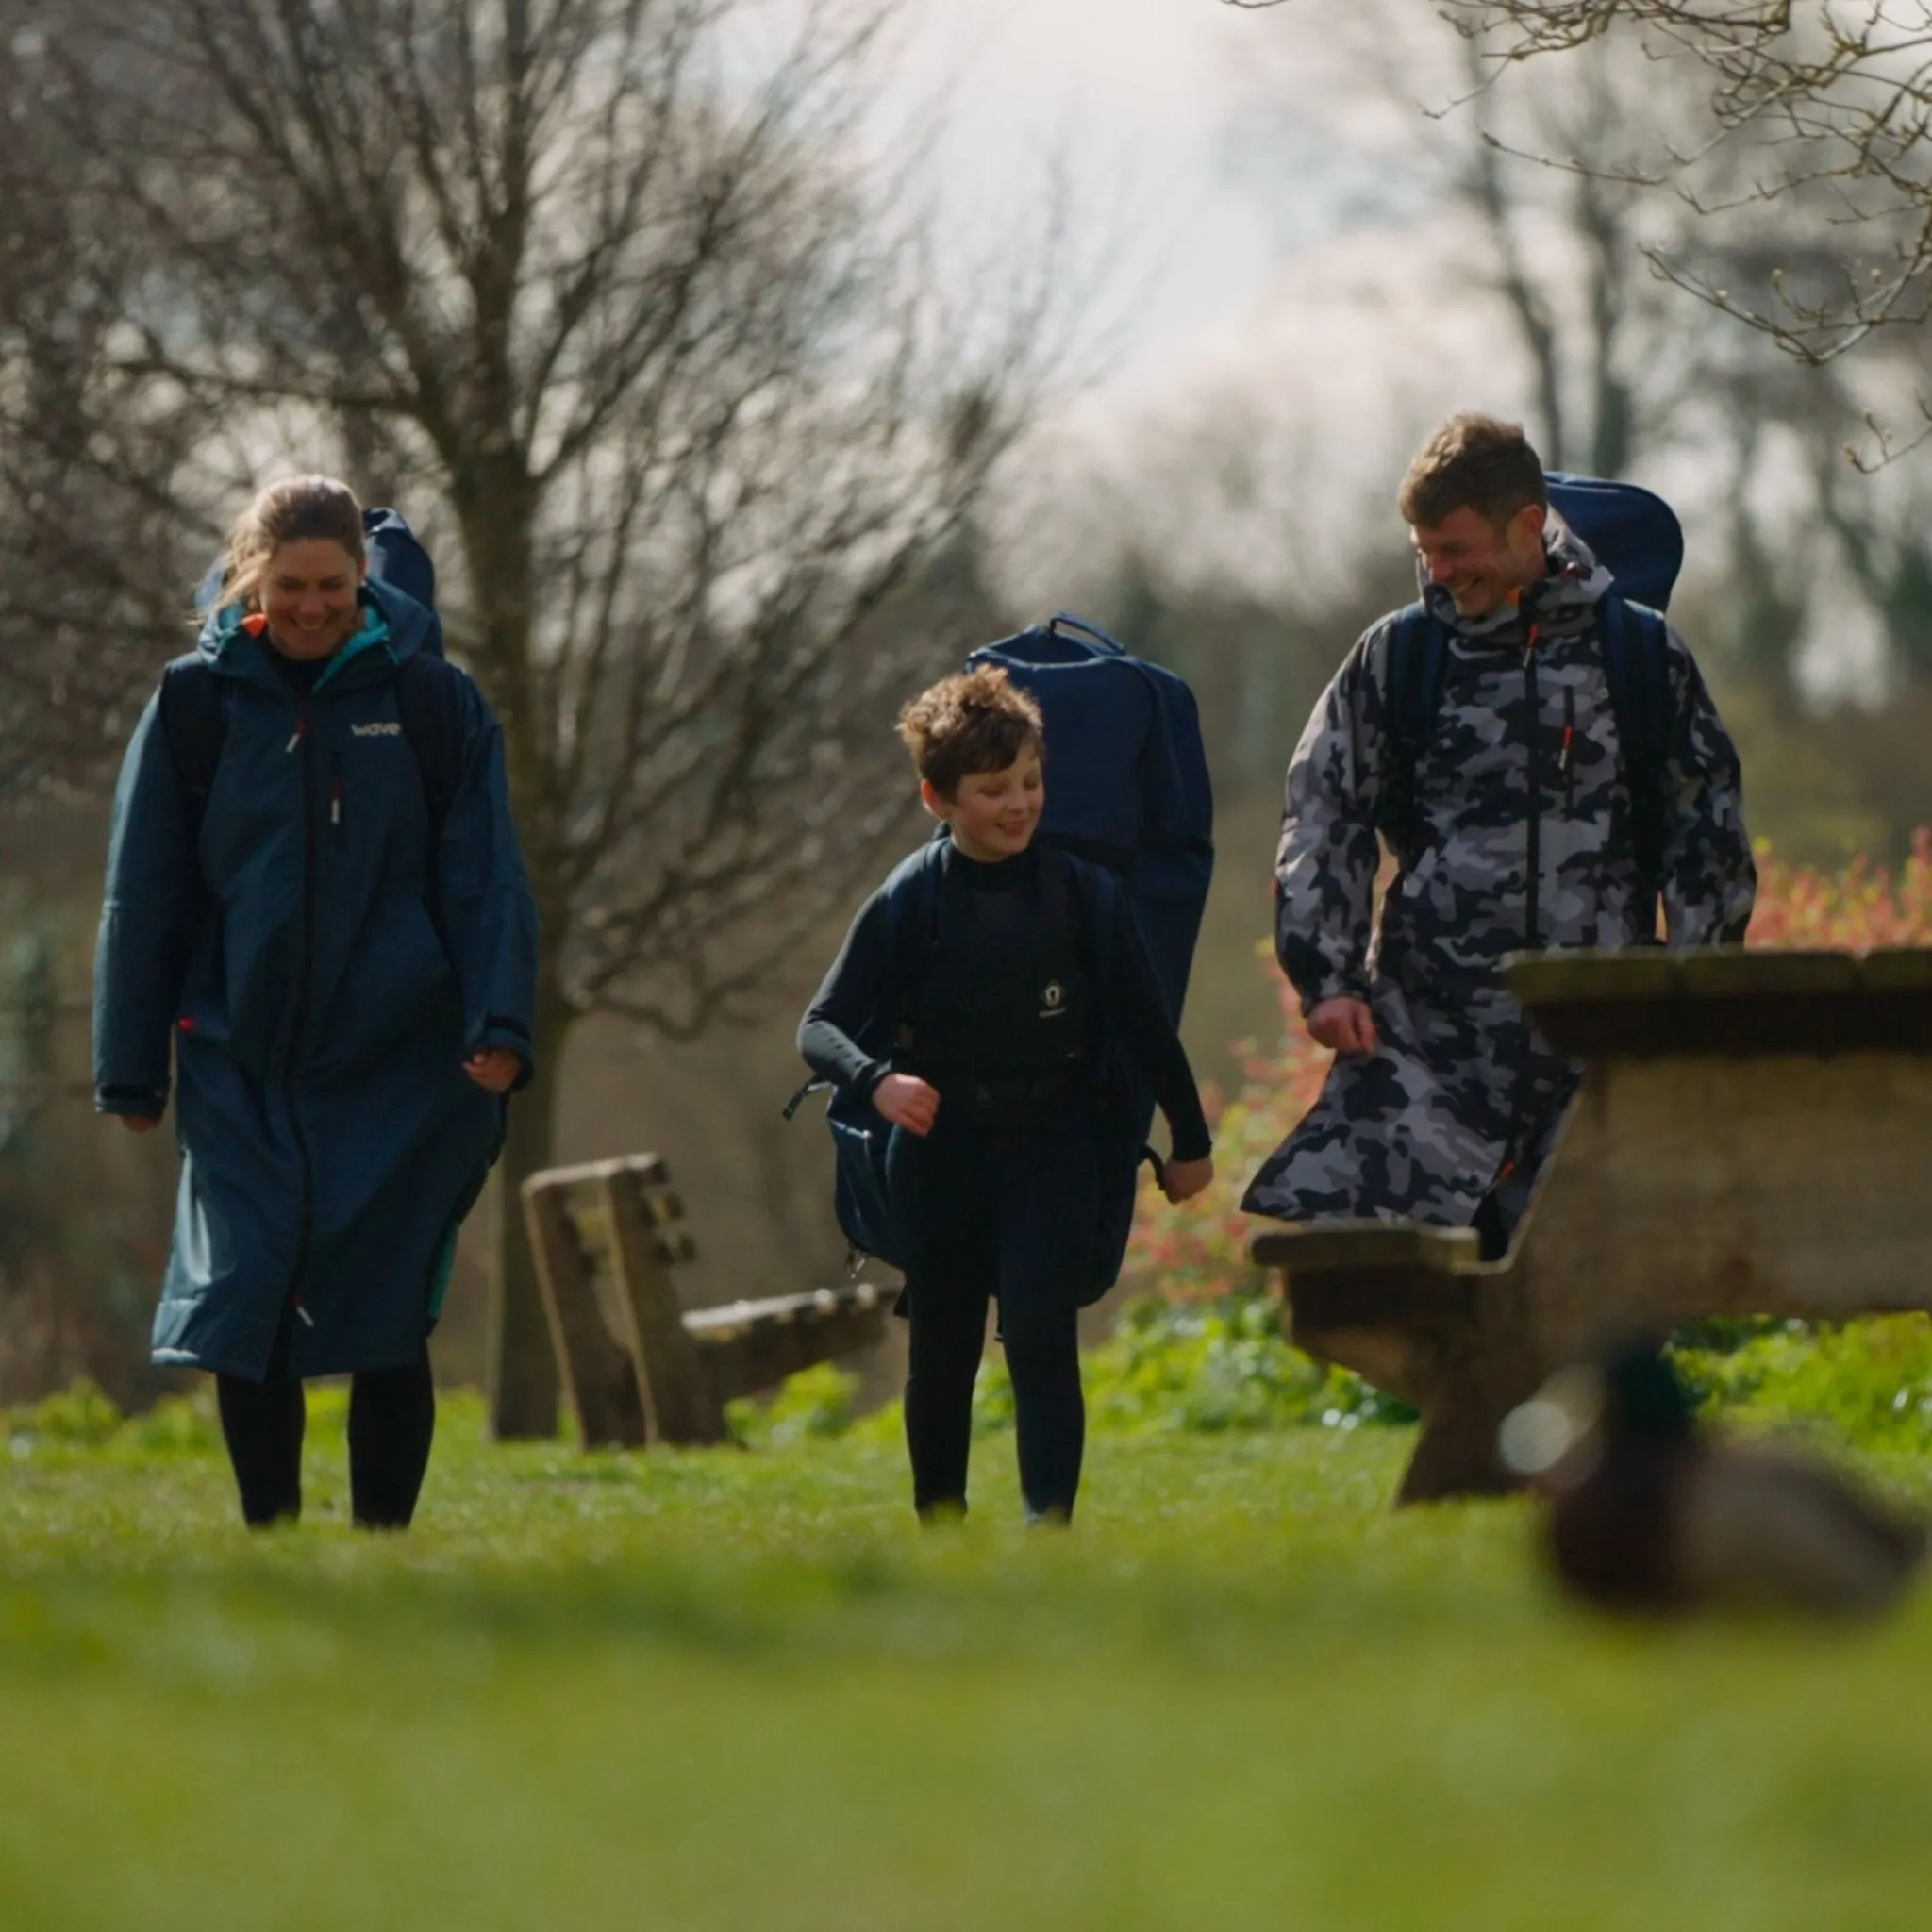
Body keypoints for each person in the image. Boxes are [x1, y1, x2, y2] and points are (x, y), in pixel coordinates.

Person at [93, 475, 538, 1529]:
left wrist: (501, 1021)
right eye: (289, 585)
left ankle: (382, 1547)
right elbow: (142, 892)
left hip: (402, 1056)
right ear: (251, 576)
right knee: (249, 1297)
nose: (310, 606)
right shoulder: (193, 704)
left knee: (385, 1309)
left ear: (361, 578)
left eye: (331, 585)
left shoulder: (434, 702)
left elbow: (487, 880)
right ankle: (273, 1538)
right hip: (238, 1055)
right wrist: (128, 1066)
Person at [1242, 414, 1756, 1251]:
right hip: (1425, 1055)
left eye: (1454, 548)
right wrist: (1326, 974)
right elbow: (1323, 810)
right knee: (1413, 1310)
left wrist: (1691, 1000)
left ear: (1527, 524)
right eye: (1424, 551)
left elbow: (1708, 836)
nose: (1438, 574)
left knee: (1594, 1309)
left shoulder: (1639, 654)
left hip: (1596, 1054)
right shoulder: (1399, 657)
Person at [799, 668, 1214, 1524]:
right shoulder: (912, 898)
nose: (1020, 804)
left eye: (1031, 782)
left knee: (1038, 1335)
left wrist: (1191, 1141)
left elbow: (1145, 1026)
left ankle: (1046, 1529)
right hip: (938, 1150)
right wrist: (880, 1083)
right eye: (994, 791)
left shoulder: (1083, 897)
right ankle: (942, 1529)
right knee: (943, 1352)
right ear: (936, 797)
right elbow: (821, 1025)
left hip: (1053, 1142)